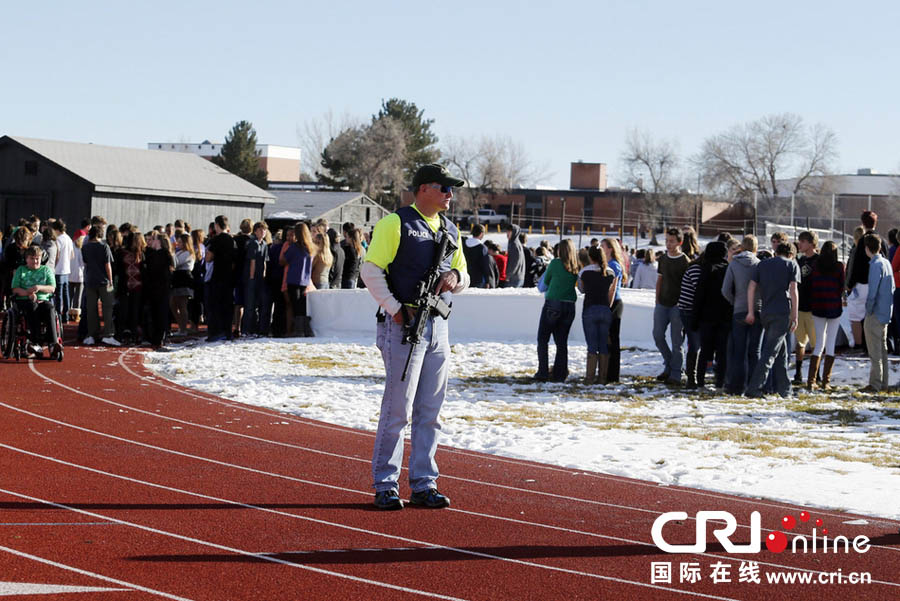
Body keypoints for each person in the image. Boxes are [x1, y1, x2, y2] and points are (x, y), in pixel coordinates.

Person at [360, 163, 469, 510]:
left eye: (452, 189)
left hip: (439, 325)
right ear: (423, 189)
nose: (450, 194)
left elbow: (463, 273)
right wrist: (394, 307)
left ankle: (424, 483)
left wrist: (454, 277)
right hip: (404, 325)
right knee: (398, 409)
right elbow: (370, 269)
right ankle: (386, 484)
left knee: (430, 411)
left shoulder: (451, 229)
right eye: (444, 188)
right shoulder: (396, 223)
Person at [744, 243, 800, 398]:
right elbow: (793, 291)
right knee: (769, 353)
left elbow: (751, 288)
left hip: (766, 312)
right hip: (782, 312)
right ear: (791, 254)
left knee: (780, 353)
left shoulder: (762, 265)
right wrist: (795, 316)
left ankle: (785, 390)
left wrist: (751, 311)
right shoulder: (792, 265)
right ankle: (754, 388)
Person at [721, 235, 762, 395]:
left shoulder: (734, 264)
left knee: (738, 351)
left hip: (739, 309)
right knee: (755, 351)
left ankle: (736, 386)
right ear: (755, 248)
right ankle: (754, 385)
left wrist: (734, 301)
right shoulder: (759, 264)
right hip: (757, 309)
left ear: (742, 246)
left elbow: (725, 289)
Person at [534, 239, 579, 382]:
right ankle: (560, 373)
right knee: (562, 342)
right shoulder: (575, 266)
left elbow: (543, 284)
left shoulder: (555, 263)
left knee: (543, 339)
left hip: (553, 304)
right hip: (570, 305)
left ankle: (543, 372)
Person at [691, 241, 731, 389]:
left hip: (706, 317)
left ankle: (700, 381)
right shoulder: (728, 269)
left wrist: (694, 319)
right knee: (722, 353)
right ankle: (720, 382)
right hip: (725, 317)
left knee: (705, 351)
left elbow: (699, 295)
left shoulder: (706, 269)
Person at [653, 228, 690, 385]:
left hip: (678, 305)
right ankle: (669, 363)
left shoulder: (685, 261)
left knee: (677, 341)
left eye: (672, 241)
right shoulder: (663, 259)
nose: (668, 244)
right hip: (662, 304)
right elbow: (660, 280)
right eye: (667, 240)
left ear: (679, 242)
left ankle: (676, 372)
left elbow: (687, 284)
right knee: (658, 335)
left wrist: (682, 302)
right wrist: (657, 299)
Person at [10, 245, 60, 356]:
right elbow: (15, 289)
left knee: (50, 308)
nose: (35, 261)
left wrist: (39, 287)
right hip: (25, 300)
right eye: (32, 258)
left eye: (37, 258)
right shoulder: (21, 270)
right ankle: (35, 342)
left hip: (42, 300)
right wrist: (29, 293)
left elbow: (52, 288)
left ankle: (53, 343)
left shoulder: (46, 270)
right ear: (26, 259)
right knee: (32, 307)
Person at [809, 241, 845, 390]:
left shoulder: (816, 265)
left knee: (819, 343)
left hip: (818, 306)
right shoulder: (839, 267)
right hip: (834, 307)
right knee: (830, 343)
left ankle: (811, 381)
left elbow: (812, 284)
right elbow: (841, 286)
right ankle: (826, 381)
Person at [578, 245, 616, 384]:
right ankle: (602, 377)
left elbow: (581, 289)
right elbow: (611, 292)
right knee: (603, 345)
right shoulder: (610, 272)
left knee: (592, 345)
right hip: (605, 309)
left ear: (590, 257)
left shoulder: (584, 272)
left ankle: (589, 377)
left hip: (590, 308)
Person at [862, 233, 895, 392]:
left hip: (875, 313)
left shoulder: (875, 265)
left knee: (875, 351)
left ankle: (875, 384)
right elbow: (893, 287)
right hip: (885, 312)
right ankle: (883, 383)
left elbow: (872, 291)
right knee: (882, 350)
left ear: (867, 248)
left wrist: (868, 310)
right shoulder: (886, 262)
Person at [81, 225, 120, 346]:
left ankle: (92, 334)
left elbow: (85, 263)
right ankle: (108, 334)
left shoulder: (85, 247)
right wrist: (111, 280)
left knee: (91, 309)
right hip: (104, 281)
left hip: (90, 280)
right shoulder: (104, 246)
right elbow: (107, 265)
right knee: (107, 308)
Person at [792, 231, 819, 385]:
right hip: (800, 308)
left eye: (802, 241)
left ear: (810, 243)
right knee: (800, 342)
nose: (799, 244)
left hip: (813, 309)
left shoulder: (818, 261)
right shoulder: (800, 260)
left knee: (815, 343)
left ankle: (816, 374)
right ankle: (798, 372)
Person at [280, 223, 315, 337]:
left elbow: (284, 260)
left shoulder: (294, 247)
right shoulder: (309, 247)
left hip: (293, 279)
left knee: (295, 306)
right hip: (305, 280)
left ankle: (298, 330)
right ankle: (306, 329)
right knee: (302, 305)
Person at [205, 216, 236, 342]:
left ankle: (215, 332)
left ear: (217, 225)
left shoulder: (215, 240)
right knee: (228, 306)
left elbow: (208, 258)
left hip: (217, 276)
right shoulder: (231, 240)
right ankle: (227, 331)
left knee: (215, 306)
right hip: (229, 276)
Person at [601, 238, 628, 382]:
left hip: (614, 303)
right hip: (609, 302)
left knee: (613, 340)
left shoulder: (614, 265)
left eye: (603, 246)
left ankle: (612, 374)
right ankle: (606, 371)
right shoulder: (607, 264)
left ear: (610, 249)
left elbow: (611, 288)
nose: (601, 248)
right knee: (608, 339)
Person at [144, 233, 175, 348]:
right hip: (155, 287)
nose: (152, 241)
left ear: (159, 241)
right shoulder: (154, 254)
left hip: (161, 287)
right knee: (155, 313)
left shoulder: (163, 254)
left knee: (160, 313)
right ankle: (156, 336)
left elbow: (159, 271)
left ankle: (160, 337)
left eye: (154, 239)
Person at [242, 222, 269, 336]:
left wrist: (263, 275)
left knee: (257, 305)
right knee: (249, 305)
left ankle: (254, 329)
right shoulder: (253, 243)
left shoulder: (264, 244)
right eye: (260, 230)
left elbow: (264, 261)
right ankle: (245, 330)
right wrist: (252, 277)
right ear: (255, 231)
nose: (263, 232)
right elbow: (252, 261)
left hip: (260, 278)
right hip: (252, 278)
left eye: (264, 230)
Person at [170, 233, 195, 337]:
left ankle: (184, 328)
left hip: (184, 278)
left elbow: (175, 263)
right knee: (173, 304)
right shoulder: (180, 252)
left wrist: (171, 253)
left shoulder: (188, 253)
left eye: (180, 242)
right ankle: (181, 326)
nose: (177, 244)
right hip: (177, 278)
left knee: (182, 304)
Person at [51, 220, 74, 323]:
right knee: (66, 294)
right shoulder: (69, 238)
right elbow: (72, 255)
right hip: (66, 269)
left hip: (59, 270)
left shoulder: (59, 239)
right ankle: (66, 316)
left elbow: (57, 254)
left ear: (56, 229)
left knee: (59, 295)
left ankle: (59, 317)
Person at [463, 223, 493, 288]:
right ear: (481, 233)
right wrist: (487, 281)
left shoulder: (463, 244)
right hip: (478, 279)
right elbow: (485, 265)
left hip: (465, 277)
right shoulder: (482, 248)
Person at [341, 223, 364, 289]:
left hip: (347, 278)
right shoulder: (358, 249)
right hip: (353, 277)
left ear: (351, 238)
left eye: (347, 237)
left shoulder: (348, 249)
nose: (346, 239)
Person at [505, 223, 525, 287]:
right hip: (518, 276)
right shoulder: (515, 242)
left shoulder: (514, 244)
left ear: (514, 232)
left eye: (509, 232)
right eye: (507, 231)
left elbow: (514, 262)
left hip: (514, 278)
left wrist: (508, 275)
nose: (507, 234)